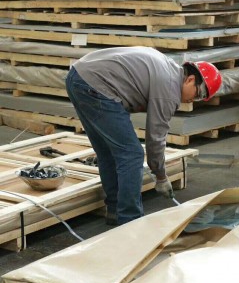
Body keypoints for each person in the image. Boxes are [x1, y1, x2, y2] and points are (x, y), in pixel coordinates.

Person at [65, 46, 222, 225]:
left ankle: (115, 211)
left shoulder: (168, 69)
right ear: (191, 79)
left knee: (107, 152)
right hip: (96, 85)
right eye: (199, 94)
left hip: (78, 76)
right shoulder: (170, 91)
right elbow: (155, 139)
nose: (194, 100)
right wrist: (161, 177)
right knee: (132, 155)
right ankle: (130, 221)